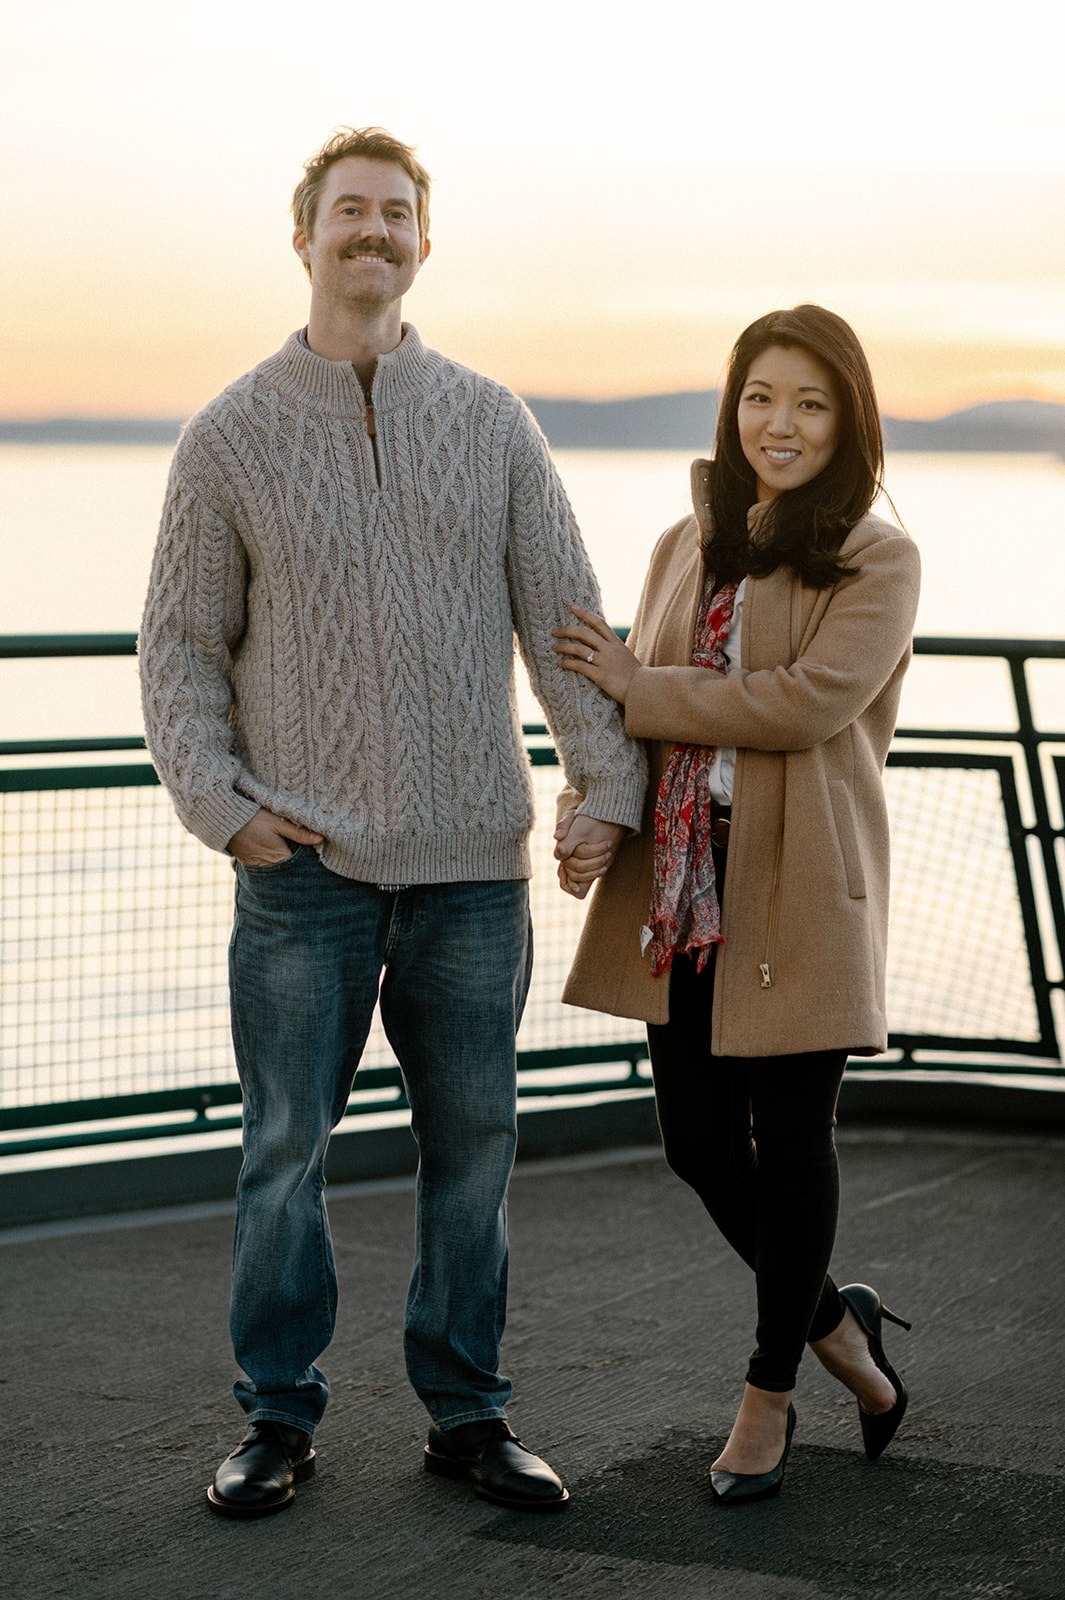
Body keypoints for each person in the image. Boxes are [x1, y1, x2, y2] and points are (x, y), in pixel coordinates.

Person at [139, 125, 645, 1519]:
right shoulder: (229, 433)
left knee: (475, 1150)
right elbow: (180, 644)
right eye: (349, 213)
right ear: (302, 238)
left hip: (474, 867)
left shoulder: (492, 421)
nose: (374, 233)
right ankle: (276, 1421)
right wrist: (219, 806)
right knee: (284, 1153)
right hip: (302, 868)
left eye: (397, 214)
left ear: (425, 242)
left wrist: (604, 786)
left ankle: (468, 1415)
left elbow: (566, 618)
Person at [552, 305, 921, 1504]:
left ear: (847, 421)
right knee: (699, 1145)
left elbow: (801, 704)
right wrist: (595, 802)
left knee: (793, 1135)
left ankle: (771, 1388)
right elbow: (624, 709)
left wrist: (644, 686)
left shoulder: (873, 555)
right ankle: (839, 1326)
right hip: (680, 879)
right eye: (762, 396)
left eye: (811, 403)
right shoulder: (684, 541)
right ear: (734, 404)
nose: (781, 423)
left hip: (802, 879)